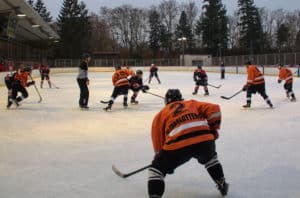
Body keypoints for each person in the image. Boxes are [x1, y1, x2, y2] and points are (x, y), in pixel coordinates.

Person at [148, 89, 228, 198]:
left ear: (166, 101)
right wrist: (213, 129)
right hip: (204, 141)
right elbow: (214, 109)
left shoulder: (161, 114)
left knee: (155, 170)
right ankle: (221, 183)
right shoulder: (192, 103)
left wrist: (160, 158)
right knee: (210, 159)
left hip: (178, 145)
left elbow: (158, 139)